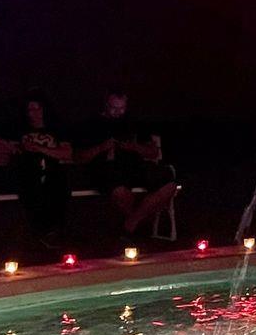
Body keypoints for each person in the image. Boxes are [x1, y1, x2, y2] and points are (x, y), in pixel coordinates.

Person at [77, 88, 180, 240]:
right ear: (106, 105)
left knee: (169, 184)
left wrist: (134, 147)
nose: (118, 112)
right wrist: (101, 148)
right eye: (114, 108)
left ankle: (131, 223)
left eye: (122, 108)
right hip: (107, 169)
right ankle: (137, 224)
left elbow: (153, 152)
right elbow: (79, 156)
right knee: (120, 191)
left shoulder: (132, 122)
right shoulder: (93, 124)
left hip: (135, 167)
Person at [0, 92, 73, 246]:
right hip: (28, 170)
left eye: (37, 109)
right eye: (30, 110)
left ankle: (55, 231)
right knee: (32, 188)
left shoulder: (56, 128)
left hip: (52, 170)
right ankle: (43, 232)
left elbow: (66, 153)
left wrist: (39, 148)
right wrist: (9, 146)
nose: (33, 113)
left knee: (58, 186)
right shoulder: (20, 128)